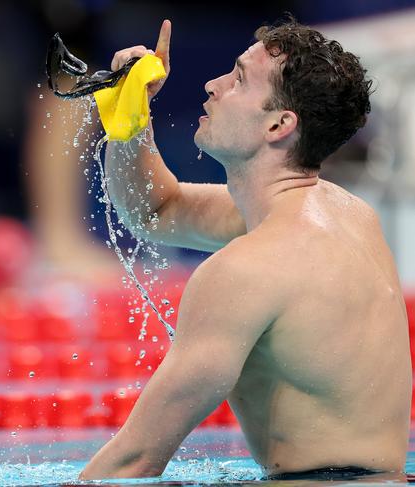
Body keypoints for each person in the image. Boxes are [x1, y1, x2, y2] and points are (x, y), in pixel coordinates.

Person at [79, 17, 411, 480]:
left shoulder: (245, 271)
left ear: (278, 124)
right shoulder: (348, 215)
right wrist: (129, 124)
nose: (213, 85)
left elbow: (135, 460)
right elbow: (157, 210)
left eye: (238, 79)